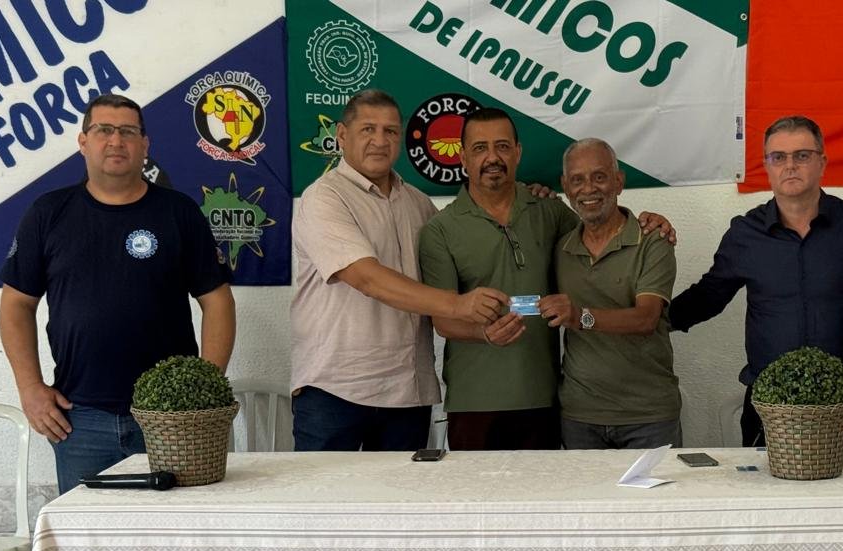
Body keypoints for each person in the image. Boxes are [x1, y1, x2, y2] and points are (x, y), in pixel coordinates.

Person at [0, 93, 236, 493]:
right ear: (83, 141)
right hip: (80, 418)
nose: (116, 140)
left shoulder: (179, 212)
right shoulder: (48, 213)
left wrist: (203, 389)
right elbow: (16, 306)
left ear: (145, 144)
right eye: (104, 130)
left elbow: (218, 301)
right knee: (84, 530)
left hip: (169, 418)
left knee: (177, 526)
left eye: (128, 131)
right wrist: (30, 388)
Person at [419, 108, 673, 451]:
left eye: (502, 146)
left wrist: (651, 223)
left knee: (550, 487)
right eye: (480, 148)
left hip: (546, 397)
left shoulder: (550, 211)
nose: (492, 157)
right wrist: (484, 333)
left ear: (518, 152)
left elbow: (601, 229)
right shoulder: (439, 229)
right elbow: (443, 321)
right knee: (479, 488)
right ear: (463, 158)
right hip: (475, 398)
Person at [290, 90, 508, 452]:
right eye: (368, 129)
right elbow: (366, 278)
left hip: (408, 393)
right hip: (335, 391)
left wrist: (526, 198)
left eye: (390, 131)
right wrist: (459, 305)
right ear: (342, 135)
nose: (380, 140)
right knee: (325, 491)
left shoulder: (419, 204)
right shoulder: (324, 197)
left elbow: (453, 269)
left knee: (403, 491)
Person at [670, 116, 843, 446]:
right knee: (767, 483)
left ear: (822, 162)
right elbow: (708, 296)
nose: (790, 165)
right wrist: (649, 320)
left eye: (802, 155)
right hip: (768, 405)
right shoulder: (746, 233)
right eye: (778, 157)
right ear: (767, 166)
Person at [537, 139, 681, 449]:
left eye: (599, 177)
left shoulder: (652, 240)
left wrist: (580, 316)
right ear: (565, 186)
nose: (588, 188)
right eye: (577, 180)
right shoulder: (560, 248)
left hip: (648, 415)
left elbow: (646, 319)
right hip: (579, 415)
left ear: (619, 181)